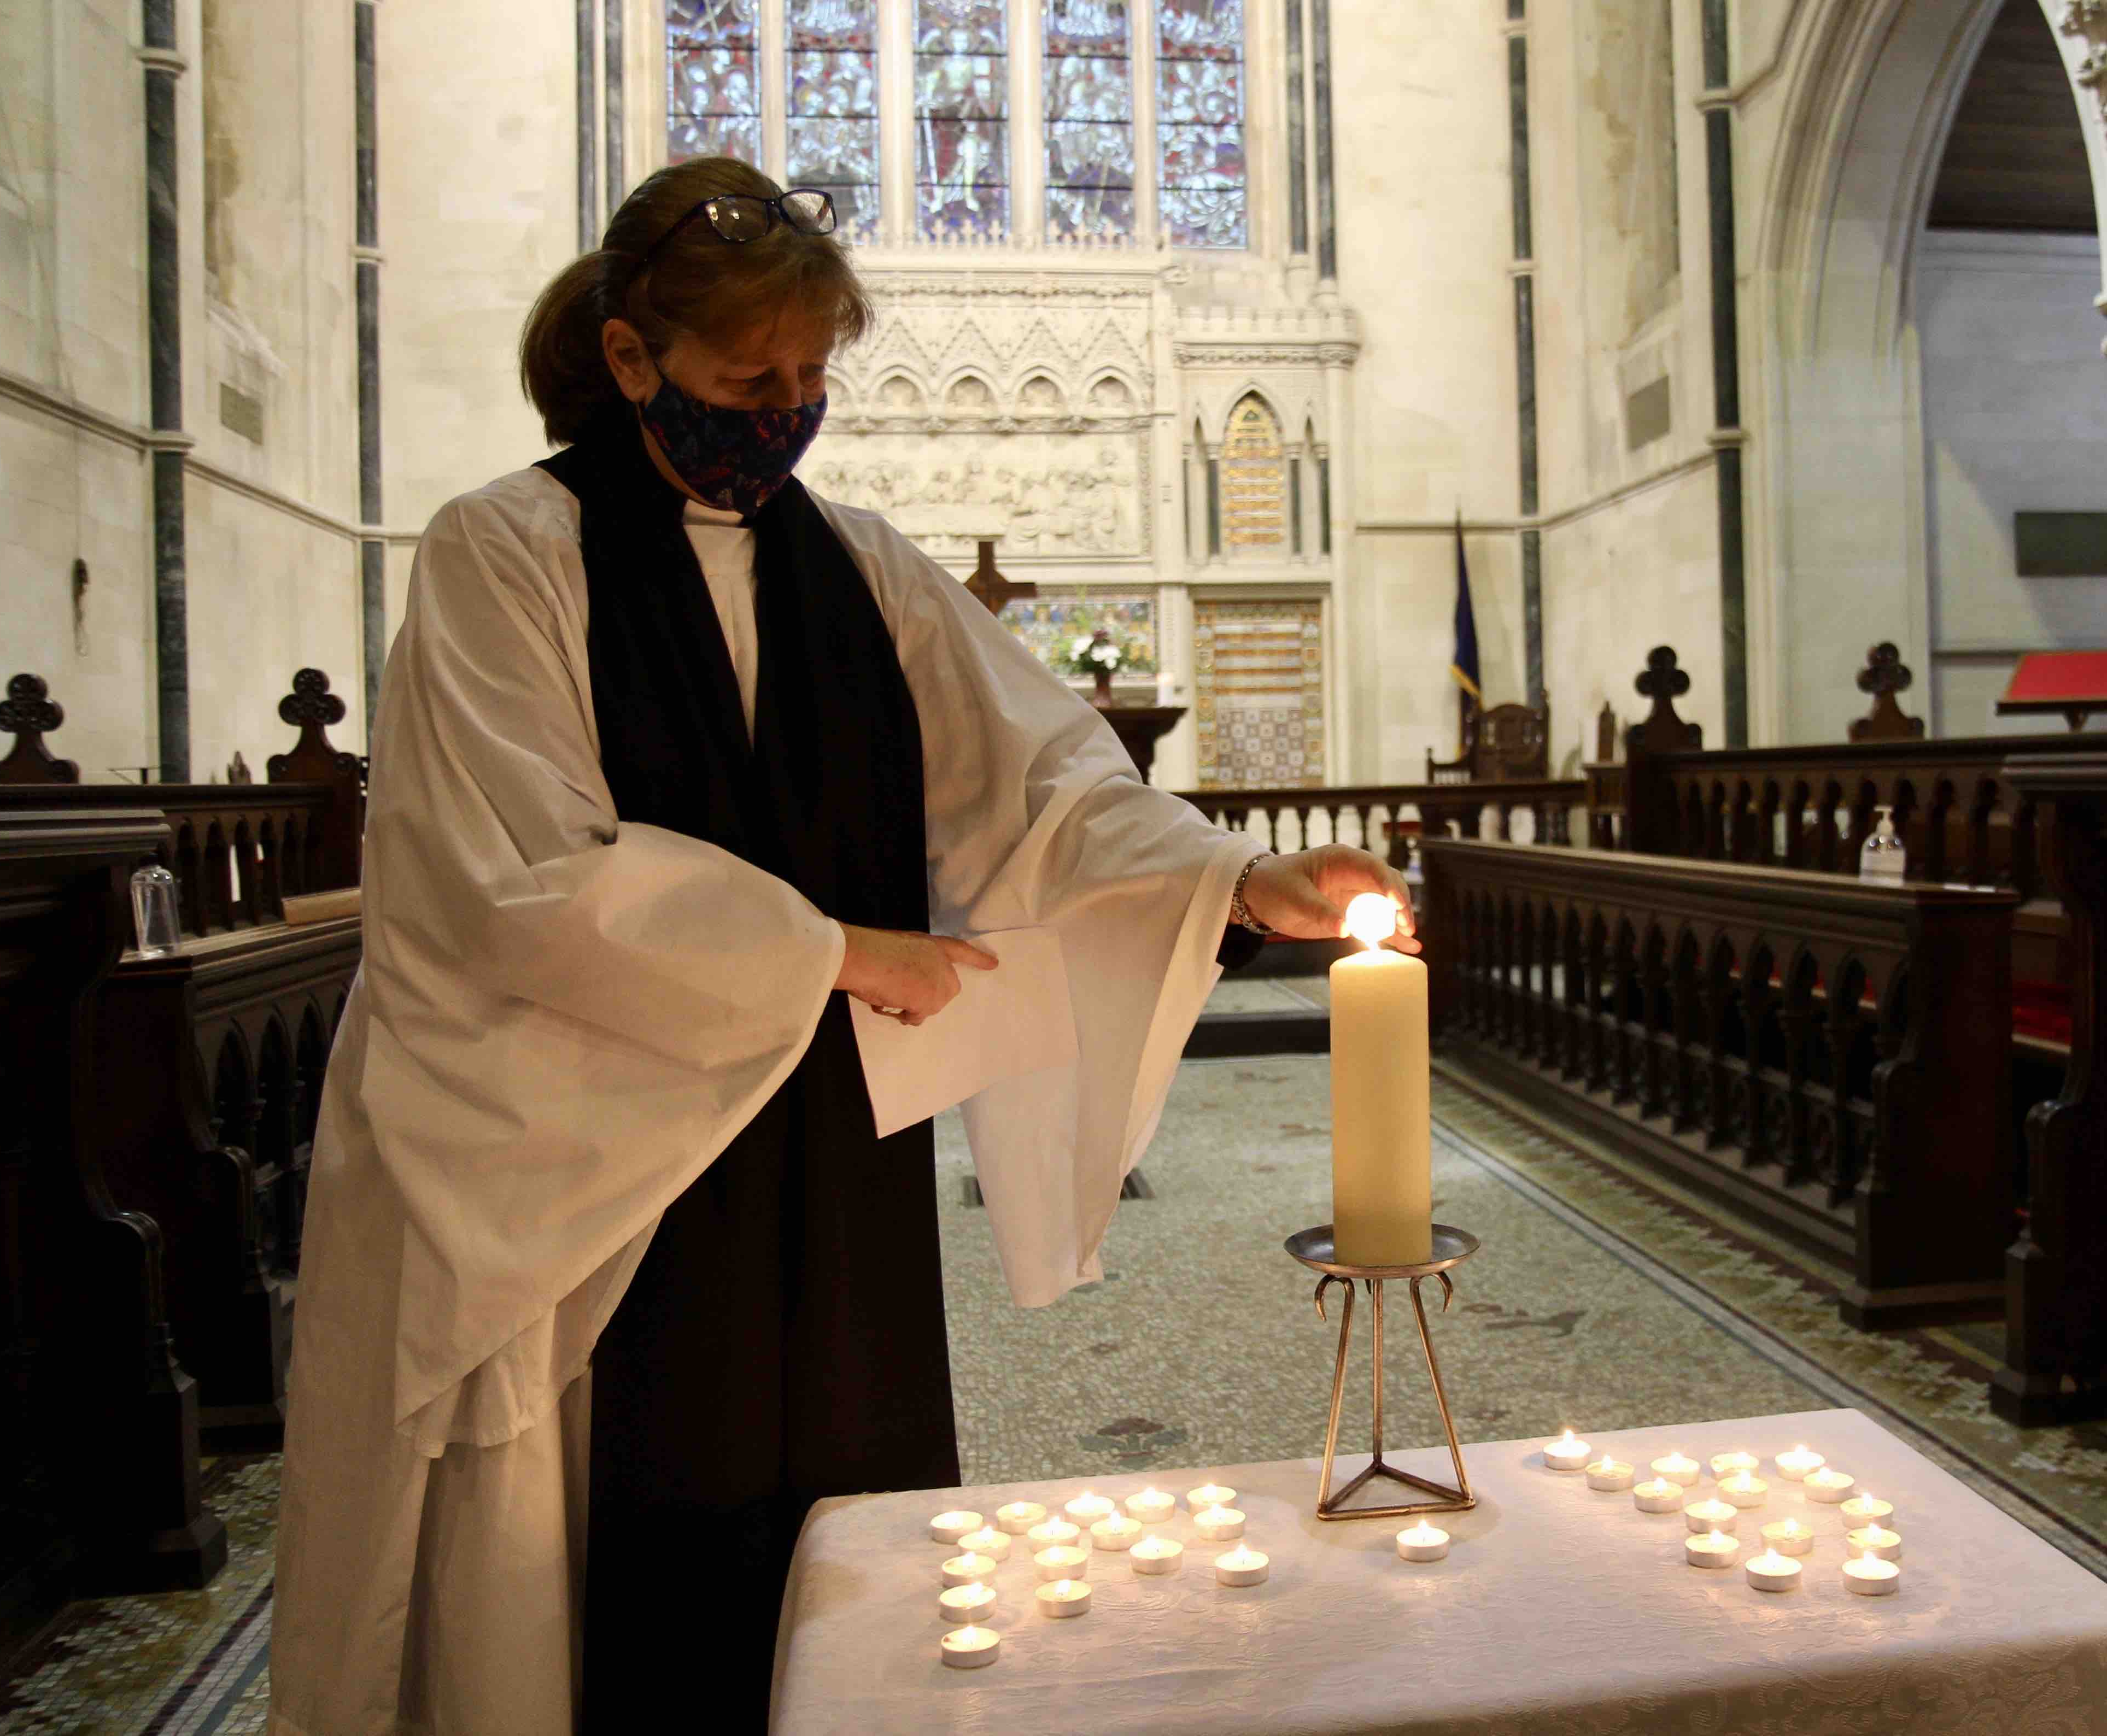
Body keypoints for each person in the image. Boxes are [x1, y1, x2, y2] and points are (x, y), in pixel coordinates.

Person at [266, 155, 1415, 1736]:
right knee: (623, 1575)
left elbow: (1046, 786)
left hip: (818, 1146)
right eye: (754, 375)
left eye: (813, 375)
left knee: (832, 1493)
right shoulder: (505, 553)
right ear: (628, 360)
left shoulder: (864, 566)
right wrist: (826, 951)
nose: (789, 409)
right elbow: (513, 880)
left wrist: (1234, 879)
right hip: (589, 1163)